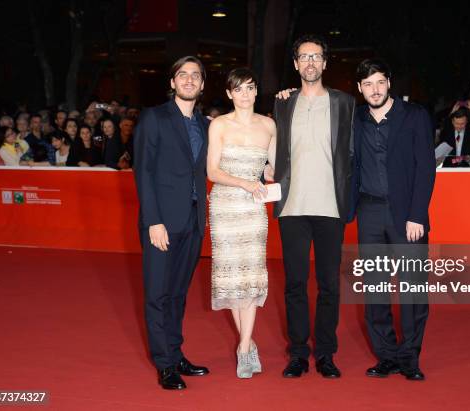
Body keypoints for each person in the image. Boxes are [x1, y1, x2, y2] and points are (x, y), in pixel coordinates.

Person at [273, 34, 355, 379]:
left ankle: (325, 353)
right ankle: (297, 353)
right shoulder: (281, 102)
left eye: (316, 57)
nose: (310, 63)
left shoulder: (344, 103)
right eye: (304, 57)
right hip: (291, 205)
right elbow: (273, 146)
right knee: (294, 283)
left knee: (328, 285)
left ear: (325, 63)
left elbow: (352, 152)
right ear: (295, 64)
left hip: (330, 206)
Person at [350, 58, 435, 381]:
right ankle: (385, 355)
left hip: (406, 216)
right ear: (360, 88)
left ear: (389, 83)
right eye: (368, 84)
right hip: (369, 212)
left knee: (413, 289)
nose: (375, 89)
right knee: (375, 288)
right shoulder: (356, 117)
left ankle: (410, 357)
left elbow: (426, 169)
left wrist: (417, 215)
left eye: (380, 82)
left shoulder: (414, 116)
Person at [133, 56, 210, 390]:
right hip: (162, 222)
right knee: (158, 294)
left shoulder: (207, 124)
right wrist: (153, 221)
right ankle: (164, 364)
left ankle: (176, 353)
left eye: (195, 76)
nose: (189, 80)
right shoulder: (154, 118)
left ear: (203, 84)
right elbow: (144, 171)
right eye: (183, 75)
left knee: (178, 293)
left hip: (193, 221)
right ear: (172, 82)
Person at [207, 68, 276, 378]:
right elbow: (213, 172)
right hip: (225, 206)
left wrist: (273, 177)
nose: (245, 94)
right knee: (232, 279)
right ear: (229, 93)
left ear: (256, 91)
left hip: (253, 210)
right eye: (239, 89)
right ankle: (246, 347)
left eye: (250, 87)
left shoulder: (268, 125)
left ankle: (244, 348)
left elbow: (273, 168)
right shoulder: (219, 125)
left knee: (249, 278)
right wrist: (245, 183)